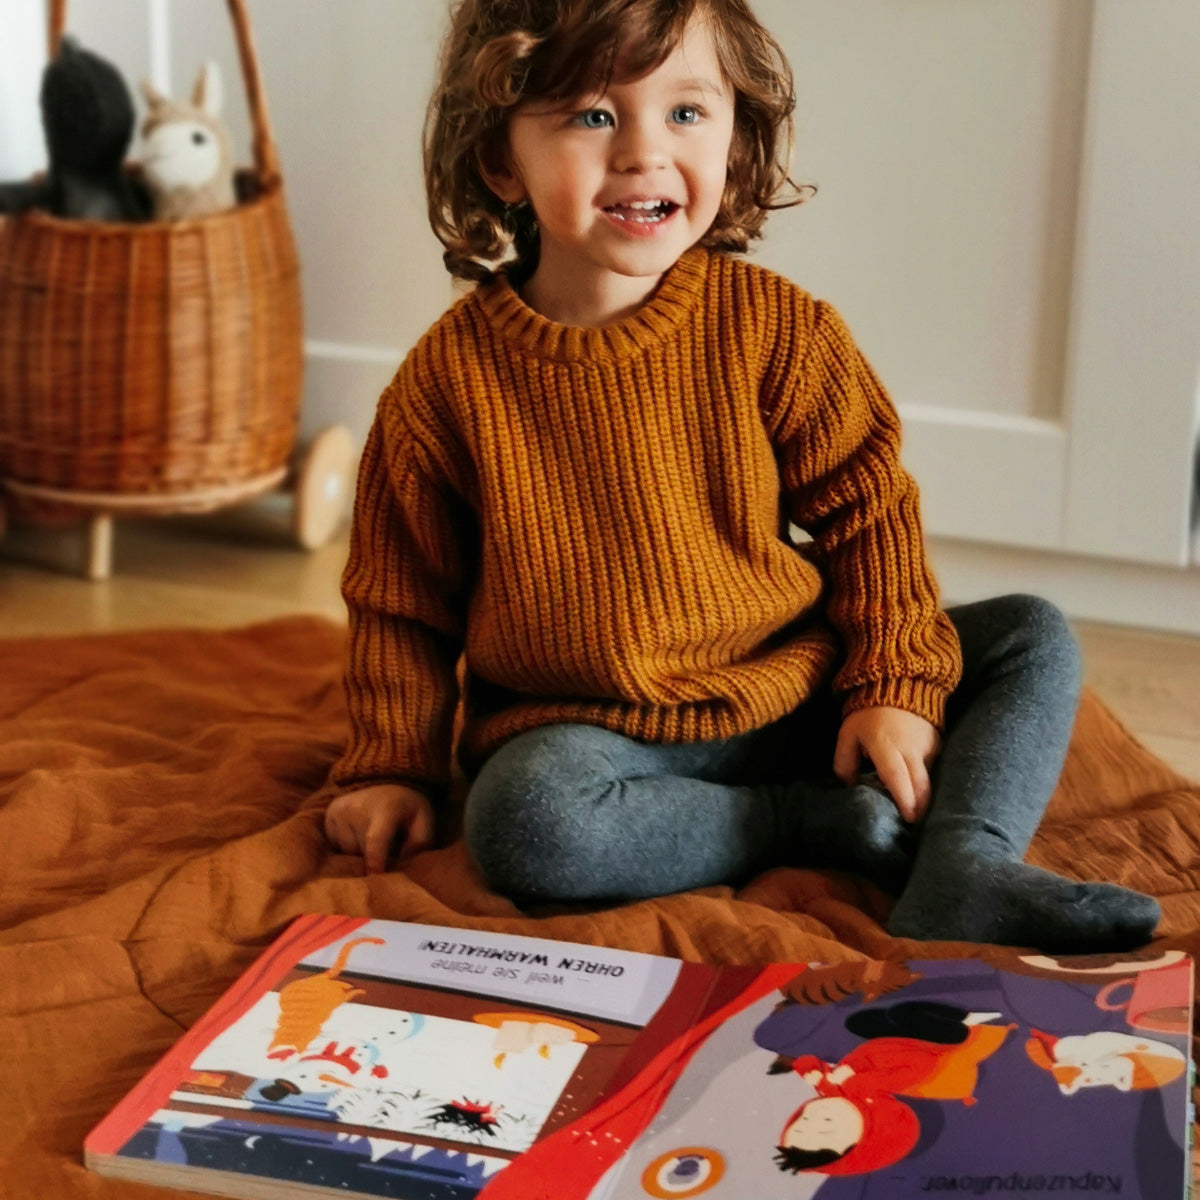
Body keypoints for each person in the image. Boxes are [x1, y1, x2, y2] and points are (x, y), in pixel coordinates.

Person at [324, 0, 1160, 952]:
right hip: (594, 737)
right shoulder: (445, 384)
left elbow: (867, 515)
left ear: (736, 132)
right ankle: (808, 824)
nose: (643, 152)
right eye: (593, 115)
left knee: (1029, 637)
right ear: (500, 160)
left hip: (792, 687)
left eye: (685, 112)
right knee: (522, 823)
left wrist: (891, 682)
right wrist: (388, 767)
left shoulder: (776, 329)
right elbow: (401, 599)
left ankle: (965, 865)